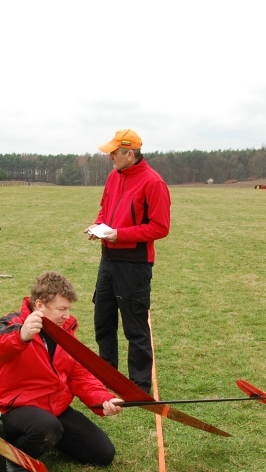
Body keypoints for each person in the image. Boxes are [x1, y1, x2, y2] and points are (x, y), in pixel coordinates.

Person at [0, 271, 124, 472]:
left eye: (69, 309)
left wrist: (104, 399)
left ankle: (46, 437)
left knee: (103, 454)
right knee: (47, 427)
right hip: (11, 409)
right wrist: (22, 335)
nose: (67, 316)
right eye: (62, 309)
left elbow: (79, 375)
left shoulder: (65, 332)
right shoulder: (12, 322)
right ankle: (12, 458)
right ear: (40, 305)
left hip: (53, 408)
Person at [85, 129, 171, 394]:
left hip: (134, 265)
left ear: (130, 154)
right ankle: (106, 377)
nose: (110, 157)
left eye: (114, 153)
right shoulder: (114, 176)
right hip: (108, 260)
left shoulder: (153, 183)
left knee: (135, 328)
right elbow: (105, 209)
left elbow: (160, 227)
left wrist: (120, 235)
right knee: (103, 322)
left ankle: (139, 387)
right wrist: (99, 225)